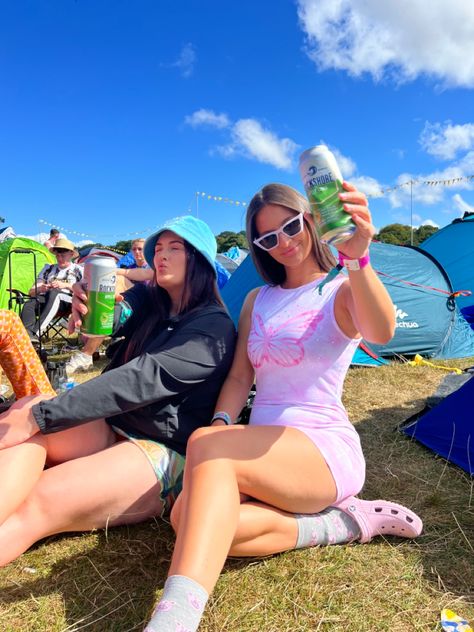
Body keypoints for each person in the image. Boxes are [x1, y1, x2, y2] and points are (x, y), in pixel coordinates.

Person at [144, 183, 423, 632]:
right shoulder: (259, 299)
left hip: (319, 448)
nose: (284, 242)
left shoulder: (340, 288)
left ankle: (174, 620)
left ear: (310, 219)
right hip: (262, 452)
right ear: (258, 247)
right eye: (268, 238)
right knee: (185, 518)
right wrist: (221, 423)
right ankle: (338, 526)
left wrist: (358, 257)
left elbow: (382, 331)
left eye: (291, 226)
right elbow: (240, 376)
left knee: (208, 462)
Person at [0, 215, 236, 566]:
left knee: (41, 497)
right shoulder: (152, 300)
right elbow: (116, 314)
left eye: (176, 248)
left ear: (199, 260)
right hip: (114, 424)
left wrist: (41, 415)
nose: (162, 256)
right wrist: (87, 302)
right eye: (159, 248)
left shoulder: (213, 328)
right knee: (29, 429)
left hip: (161, 448)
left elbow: (142, 379)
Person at [20, 238, 83, 342]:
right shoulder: (48, 269)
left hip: (69, 302)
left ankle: (36, 333)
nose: (59, 258)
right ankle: (27, 336)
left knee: (55, 293)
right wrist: (41, 288)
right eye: (57, 255)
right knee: (30, 303)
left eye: (63, 255)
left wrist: (65, 285)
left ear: (71, 254)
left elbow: (85, 291)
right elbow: (31, 292)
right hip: (47, 299)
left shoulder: (78, 270)